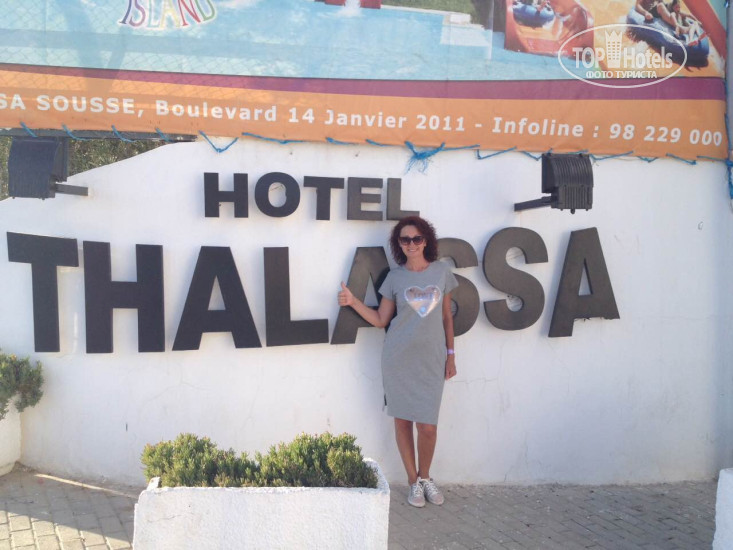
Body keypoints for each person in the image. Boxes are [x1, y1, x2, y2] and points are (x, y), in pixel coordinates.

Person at [337, 216, 458, 508]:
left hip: (431, 360)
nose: (411, 244)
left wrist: (451, 354)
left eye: (416, 238)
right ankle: (413, 482)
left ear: (426, 241)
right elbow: (381, 319)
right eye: (405, 239)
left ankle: (426, 477)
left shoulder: (441, 272)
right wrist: (353, 301)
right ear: (398, 244)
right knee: (403, 421)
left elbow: (446, 317)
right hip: (398, 359)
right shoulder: (395, 278)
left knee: (427, 427)